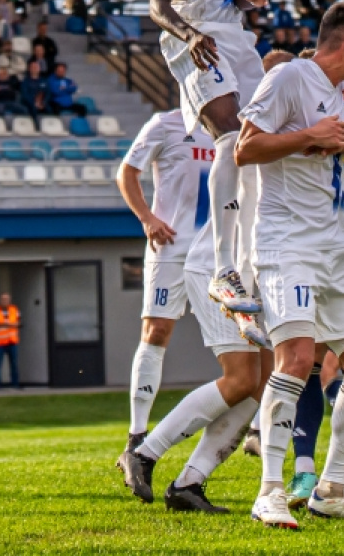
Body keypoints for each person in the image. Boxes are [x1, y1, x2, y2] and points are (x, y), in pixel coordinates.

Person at [237, 2, 344, 526]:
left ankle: (331, 490)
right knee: (298, 358)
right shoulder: (289, 78)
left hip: (334, 246)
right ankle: (270, 491)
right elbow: (245, 148)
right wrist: (312, 137)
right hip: (286, 244)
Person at [149, 0, 267, 319]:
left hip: (234, 32)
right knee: (229, 139)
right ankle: (223, 269)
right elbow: (157, 4)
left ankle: (251, 263)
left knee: (262, 141)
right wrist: (192, 36)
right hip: (194, 38)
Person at [117, 211, 268, 513]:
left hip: (261, 268)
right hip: (221, 270)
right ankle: (143, 453)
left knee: (263, 381)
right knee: (241, 378)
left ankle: (188, 484)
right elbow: (236, 166)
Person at [116, 110, 220, 456]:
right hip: (172, 246)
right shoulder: (165, 123)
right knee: (157, 331)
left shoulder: (232, 124)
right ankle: (137, 433)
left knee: (244, 338)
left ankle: (255, 428)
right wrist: (147, 218)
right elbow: (127, 172)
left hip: (219, 252)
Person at [0, 293, 20, 389]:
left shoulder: (14, 310)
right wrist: (7, 324)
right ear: (0, 300)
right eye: (3, 299)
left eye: (7, 299)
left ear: (9, 300)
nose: (5, 301)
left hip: (12, 342)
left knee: (14, 364)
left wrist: (3, 324)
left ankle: (15, 385)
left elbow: (18, 323)